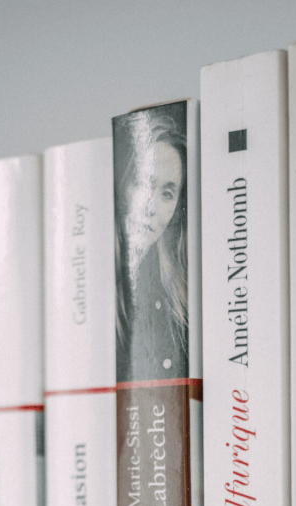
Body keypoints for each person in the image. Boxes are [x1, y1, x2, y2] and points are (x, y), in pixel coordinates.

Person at [114, 105, 188, 382]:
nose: (151, 207)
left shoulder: (176, 288)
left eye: (167, 193)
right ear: (124, 184)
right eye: (143, 184)